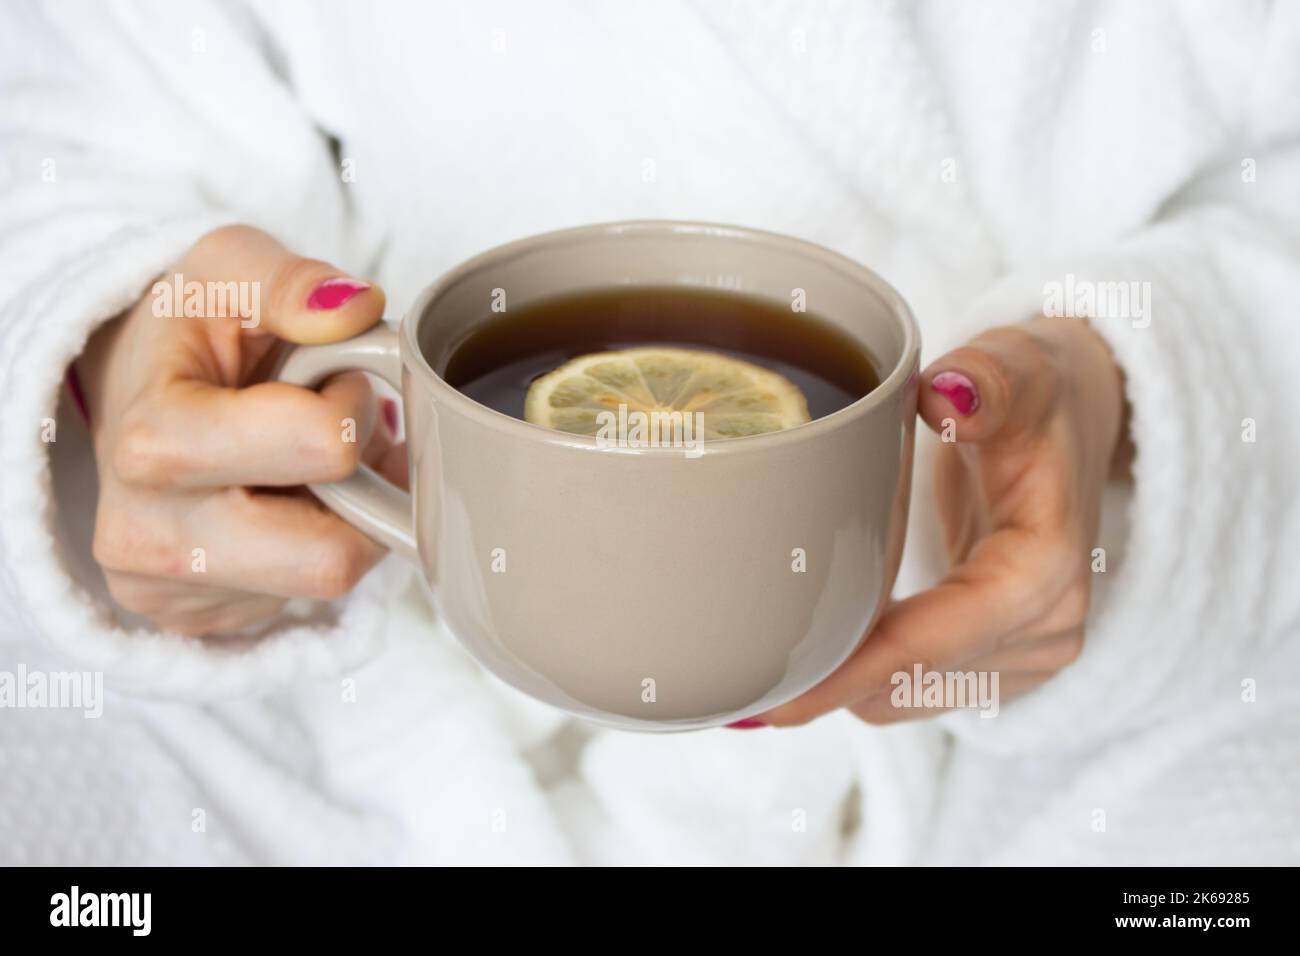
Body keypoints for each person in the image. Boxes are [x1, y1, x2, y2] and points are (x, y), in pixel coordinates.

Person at [1, 0, 1296, 865]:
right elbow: (69, 110)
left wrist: (1137, 398)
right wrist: (128, 369)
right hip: (365, 686)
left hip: (1068, 701)